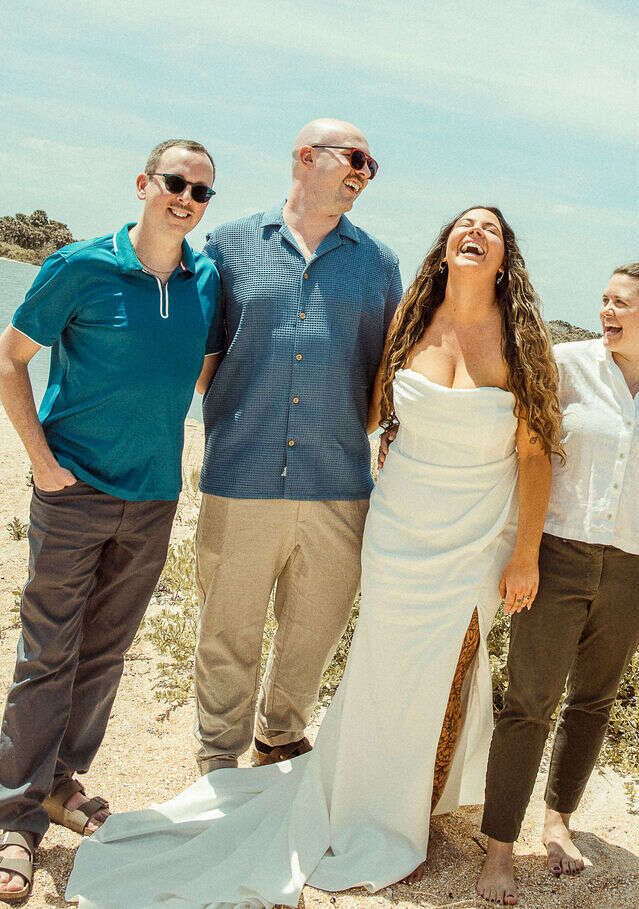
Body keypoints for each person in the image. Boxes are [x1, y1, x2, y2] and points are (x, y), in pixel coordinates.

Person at [65, 205, 561, 907]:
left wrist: (527, 554)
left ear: (506, 259)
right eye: (463, 225)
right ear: (445, 246)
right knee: (382, 666)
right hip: (397, 528)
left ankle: (414, 803)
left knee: (452, 663)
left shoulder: (522, 342)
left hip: (477, 536)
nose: (475, 233)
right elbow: (370, 405)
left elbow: (536, 454)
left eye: (492, 230)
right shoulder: (408, 323)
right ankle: (362, 791)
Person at [0, 139, 221, 902]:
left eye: (200, 191)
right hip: (73, 492)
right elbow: (10, 357)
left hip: (153, 498)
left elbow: (203, 369)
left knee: (105, 653)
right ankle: (14, 820)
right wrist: (40, 461)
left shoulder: (205, 278)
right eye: (175, 182)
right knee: (47, 654)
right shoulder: (79, 266)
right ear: (144, 183)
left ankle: (60, 782)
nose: (186, 198)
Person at [475, 257, 639, 905]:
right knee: (529, 700)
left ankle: (558, 821)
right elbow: (525, 444)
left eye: (620, 303)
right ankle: (499, 848)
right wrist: (522, 551)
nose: (607, 311)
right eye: (603, 300)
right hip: (556, 555)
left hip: (637, 566)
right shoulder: (568, 363)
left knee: (594, 700)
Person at [191, 118, 403, 775]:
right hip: (240, 472)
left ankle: (280, 734)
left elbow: (381, 378)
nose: (365, 174)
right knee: (227, 628)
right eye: (358, 159)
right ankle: (217, 757)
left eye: (372, 167)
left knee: (315, 628)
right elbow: (204, 359)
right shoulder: (226, 245)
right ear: (308, 156)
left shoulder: (380, 264)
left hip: (337, 483)